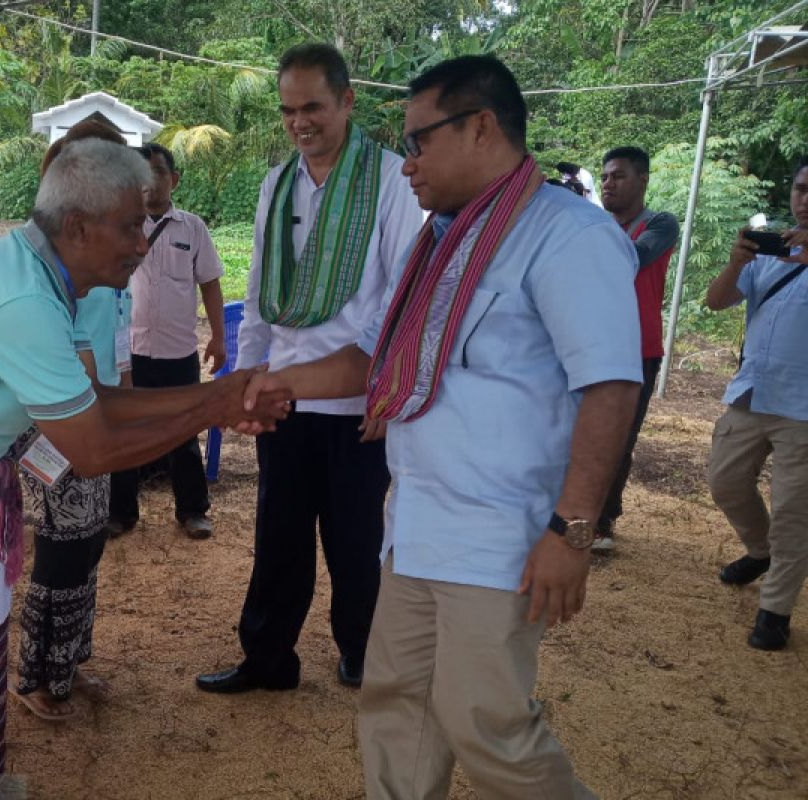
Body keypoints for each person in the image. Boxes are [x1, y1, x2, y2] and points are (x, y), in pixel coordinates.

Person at [0, 138, 286, 796]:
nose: (142, 243)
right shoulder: (24, 299)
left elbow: (90, 400)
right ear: (78, 227)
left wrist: (212, 396)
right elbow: (90, 448)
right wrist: (213, 409)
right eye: (131, 225)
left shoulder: (39, 274)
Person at [240, 54, 641, 798]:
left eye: (420, 142)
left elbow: (611, 384)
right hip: (418, 526)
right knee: (398, 711)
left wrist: (574, 528)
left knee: (487, 726)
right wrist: (275, 382)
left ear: (481, 127)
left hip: (501, 537)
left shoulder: (565, 235)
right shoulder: (445, 240)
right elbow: (380, 358)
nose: (407, 163)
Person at [195, 43, 423, 695]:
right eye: (289, 109)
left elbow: (402, 294)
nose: (300, 122)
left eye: (314, 107)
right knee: (279, 538)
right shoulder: (278, 183)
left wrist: (383, 390)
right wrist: (247, 379)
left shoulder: (389, 181)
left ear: (347, 102)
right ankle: (269, 659)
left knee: (355, 539)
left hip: (357, 402)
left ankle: (360, 651)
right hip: (284, 398)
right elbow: (263, 291)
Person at [12, 121, 135, 722]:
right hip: (57, 421)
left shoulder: (105, 247)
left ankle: (68, 662)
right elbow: (69, 351)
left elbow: (111, 332)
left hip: (96, 409)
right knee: (61, 548)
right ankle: (36, 677)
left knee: (88, 542)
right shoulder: (41, 256)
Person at [705, 158, 808, 651]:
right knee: (723, 481)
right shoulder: (771, 254)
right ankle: (759, 549)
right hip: (753, 393)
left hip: (804, 410)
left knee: (793, 512)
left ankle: (775, 610)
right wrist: (736, 262)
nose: (804, 199)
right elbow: (715, 302)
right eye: (801, 188)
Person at [107, 142, 226, 540]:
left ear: (173, 180)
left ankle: (192, 510)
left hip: (178, 351)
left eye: (157, 173)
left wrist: (220, 338)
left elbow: (210, 285)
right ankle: (120, 513)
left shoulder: (192, 228)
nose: (148, 183)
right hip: (131, 351)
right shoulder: (121, 226)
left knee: (183, 431)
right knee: (125, 430)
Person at [595, 146, 680, 552]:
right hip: (589, 341)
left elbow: (631, 258)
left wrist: (588, 227)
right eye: (605, 177)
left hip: (638, 348)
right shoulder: (594, 223)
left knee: (619, 436)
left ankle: (603, 520)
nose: (608, 183)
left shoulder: (659, 224)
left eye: (619, 176)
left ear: (643, 180)